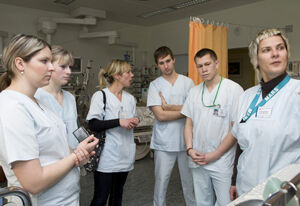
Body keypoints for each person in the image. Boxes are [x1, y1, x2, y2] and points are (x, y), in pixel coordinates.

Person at [199, 28, 300, 198]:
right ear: (256, 60)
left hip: (283, 192)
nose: (275, 54)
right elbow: (241, 142)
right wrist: (234, 180)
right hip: (247, 186)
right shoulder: (247, 96)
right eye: (267, 50)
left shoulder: (296, 93)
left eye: (280, 48)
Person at [0, 34, 98, 205]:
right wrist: (75, 157)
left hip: (66, 198)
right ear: (20, 63)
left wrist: (80, 152)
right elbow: (34, 182)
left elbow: (59, 148)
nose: (51, 68)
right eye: (44, 61)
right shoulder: (11, 107)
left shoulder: (39, 104)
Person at [181, 48, 243, 206]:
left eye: (207, 64)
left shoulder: (233, 90)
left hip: (222, 161)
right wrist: (189, 149)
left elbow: (236, 130)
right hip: (198, 159)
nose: (204, 69)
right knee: (202, 202)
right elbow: (189, 124)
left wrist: (215, 154)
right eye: (200, 66)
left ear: (217, 63)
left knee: (226, 203)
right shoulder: (194, 92)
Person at [147, 46, 196, 206]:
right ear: (158, 65)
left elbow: (195, 110)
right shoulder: (155, 85)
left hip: (186, 142)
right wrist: (184, 109)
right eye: (161, 63)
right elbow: (160, 116)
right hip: (164, 143)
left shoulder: (188, 82)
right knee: (161, 184)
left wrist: (169, 107)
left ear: (173, 59)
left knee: (190, 185)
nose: (166, 65)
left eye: (168, 61)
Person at [87, 59, 139, 206]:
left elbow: (129, 119)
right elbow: (93, 124)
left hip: (125, 154)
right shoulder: (101, 96)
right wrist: (119, 122)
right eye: (128, 72)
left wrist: (134, 120)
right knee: (100, 198)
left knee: (117, 196)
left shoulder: (130, 99)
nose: (132, 75)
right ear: (117, 75)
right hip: (107, 157)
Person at [35, 45, 79, 150]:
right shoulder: (36, 97)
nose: (69, 72)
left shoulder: (70, 98)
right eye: (63, 67)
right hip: (50, 162)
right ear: (49, 67)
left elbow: (74, 129)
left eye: (70, 67)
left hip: (74, 159)